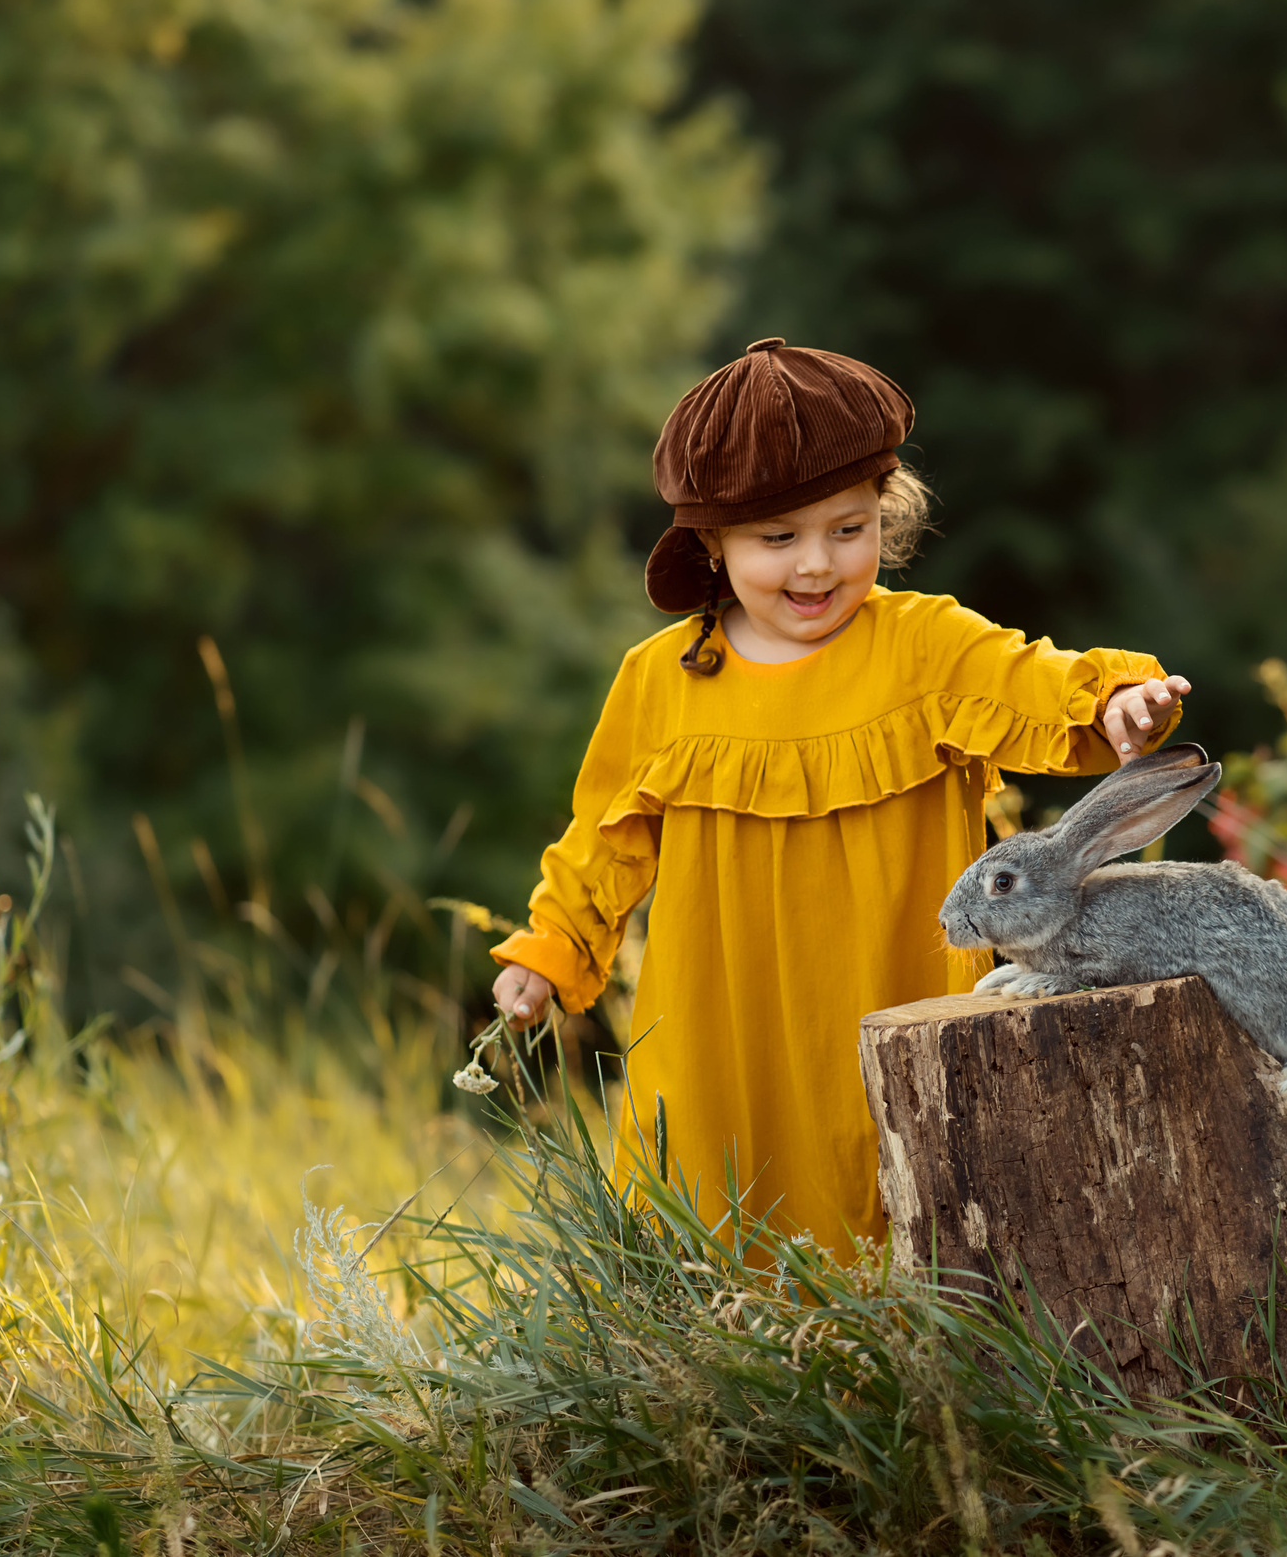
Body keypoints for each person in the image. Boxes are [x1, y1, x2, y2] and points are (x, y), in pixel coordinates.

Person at [486, 338, 1189, 1252]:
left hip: (895, 993)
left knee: (904, 1202)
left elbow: (1032, 683)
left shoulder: (925, 644)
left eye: (847, 529)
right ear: (713, 543)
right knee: (710, 1206)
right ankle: (712, 1380)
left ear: (884, 517)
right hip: (718, 1018)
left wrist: (1115, 701)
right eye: (778, 539)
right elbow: (604, 838)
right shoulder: (662, 677)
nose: (816, 564)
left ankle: (918, 1370)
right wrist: (551, 951)